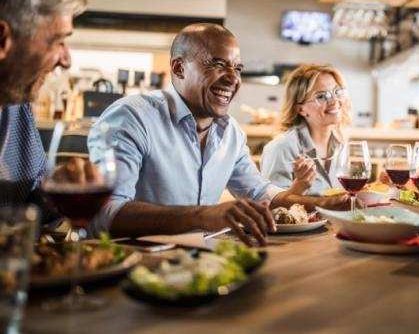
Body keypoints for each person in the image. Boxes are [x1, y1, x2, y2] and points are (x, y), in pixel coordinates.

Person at [88, 24, 322, 246]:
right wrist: (203, 215)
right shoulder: (132, 117)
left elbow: (261, 193)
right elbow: (104, 214)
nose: (232, 78)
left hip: (198, 263)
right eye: (218, 64)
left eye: (237, 68)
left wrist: (326, 204)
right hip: (133, 265)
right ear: (179, 68)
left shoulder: (231, 133)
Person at [0, 0, 86, 221]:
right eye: (56, 41)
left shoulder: (16, 103)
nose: (66, 59)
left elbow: (24, 207)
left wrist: (55, 193)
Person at [260, 64, 352, 207]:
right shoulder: (281, 148)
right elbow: (272, 205)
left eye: (337, 92)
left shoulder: (341, 144)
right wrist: (300, 188)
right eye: (321, 96)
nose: (335, 101)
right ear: (301, 109)